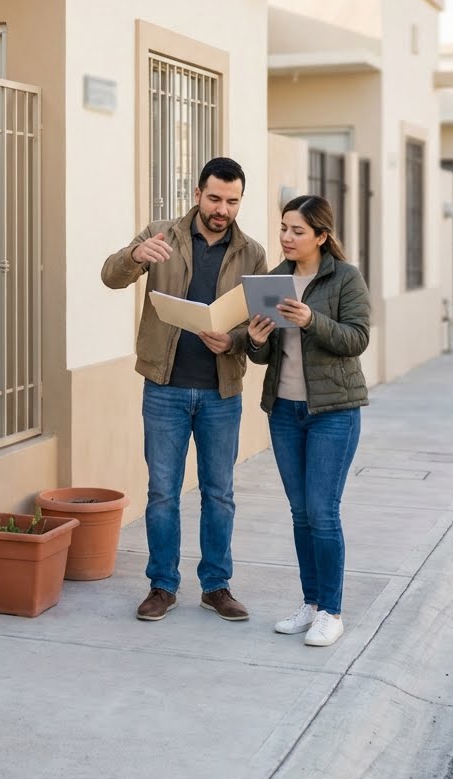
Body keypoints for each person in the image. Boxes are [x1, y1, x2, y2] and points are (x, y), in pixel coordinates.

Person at [101, 157, 267, 622]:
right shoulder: (161, 234)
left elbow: (261, 326)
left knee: (219, 493)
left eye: (232, 202)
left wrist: (232, 339)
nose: (223, 209)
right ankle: (162, 586)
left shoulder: (252, 253)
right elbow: (110, 276)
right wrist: (134, 258)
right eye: (215, 198)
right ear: (197, 194)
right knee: (162, 493)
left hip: (221, 390)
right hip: (165, 387)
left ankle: (216, 586)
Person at [245, 195, 369, 647]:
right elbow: (262, 352)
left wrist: (312, 319)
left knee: (322, 511)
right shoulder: (274, 279)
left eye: (297, 230)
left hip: (333, 413)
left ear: (321, 235)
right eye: (283, 228)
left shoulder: (344, 278)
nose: (286, 237)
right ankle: (311, 604)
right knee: (300, 514)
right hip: (284, 411)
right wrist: (256, 339)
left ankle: (332, 612)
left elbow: (357, 339)